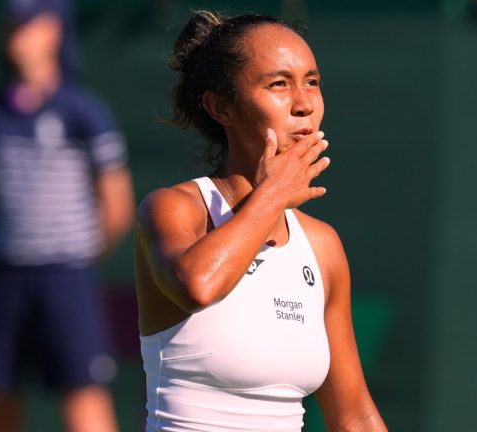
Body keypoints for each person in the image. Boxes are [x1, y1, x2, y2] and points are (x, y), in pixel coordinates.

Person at [134, 10, 387, 431]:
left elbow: (354, 416)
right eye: (278, 84)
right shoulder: (174, 208)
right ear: (221, 108)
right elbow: (198, 285)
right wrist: (271, 194)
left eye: (312, 82)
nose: (304, 104)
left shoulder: (322, 246)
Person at [0, 1, 135, 431]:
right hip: (2, 273)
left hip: (67, 275)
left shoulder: (84, 111)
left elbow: (116, 205)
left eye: (27, 24)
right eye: (11, 25)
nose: (16, 35)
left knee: (83, 396)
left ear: (54, 31)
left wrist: (74, 255)